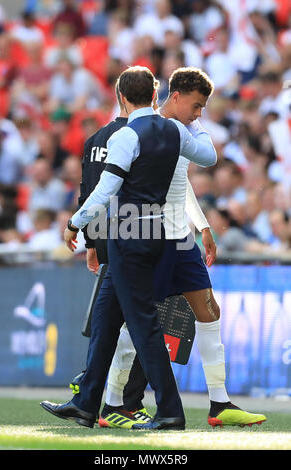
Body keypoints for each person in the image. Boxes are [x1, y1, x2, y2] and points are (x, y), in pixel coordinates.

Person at [72, 67, 266, 430]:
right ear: (173, 97)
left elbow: (182, 185)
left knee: (209, 311)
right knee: (139, 323)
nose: (199, 114)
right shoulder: (153, 132)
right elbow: (115, 188)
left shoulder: (176, 132)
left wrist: (204, 226)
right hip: (157, 239)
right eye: (196, 106)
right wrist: (89, 232)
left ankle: (219, 402)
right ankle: (114, 402)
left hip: (182, 238)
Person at [40, 65, 217, 431]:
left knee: (143, 326)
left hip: (127, 236)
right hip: (156, 232)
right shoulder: (173, 129)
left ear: (121, 97)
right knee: (106, 320)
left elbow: (105, 191)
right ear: (156, 95)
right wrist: (196, 123)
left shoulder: (126, 134)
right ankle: (86, 403)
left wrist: (76, 223)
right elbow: (209, 157)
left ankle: (170, 411)